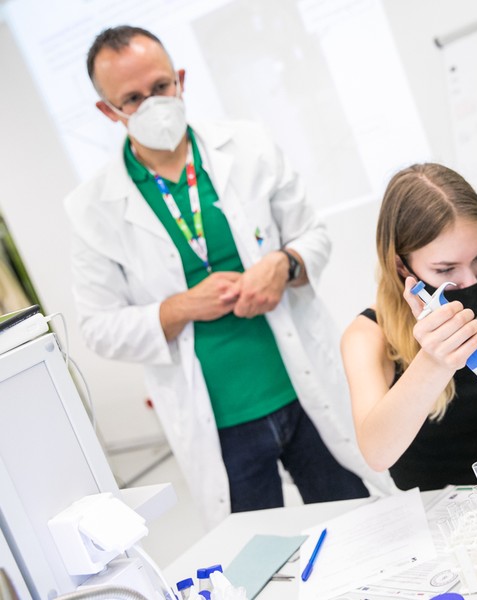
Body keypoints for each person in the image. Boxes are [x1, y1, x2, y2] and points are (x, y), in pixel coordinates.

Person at [64, 25, 386, 525]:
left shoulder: (249, 145)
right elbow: (98, 327)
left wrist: (284, 264)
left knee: (361, 526)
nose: (153, 104)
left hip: (305, 392)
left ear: (181, 80)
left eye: (161, 87)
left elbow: (313, 235)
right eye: (133, 98)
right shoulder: (91, 208)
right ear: (109, 112)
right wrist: (179, 308)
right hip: (220, 425)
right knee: (258, 554)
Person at [340, 163, 477, 490]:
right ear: (401, 265)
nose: (470, 281)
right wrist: (434, 361)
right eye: (446, 269)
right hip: (429, 515)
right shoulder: (366, 337)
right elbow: (377, 455)